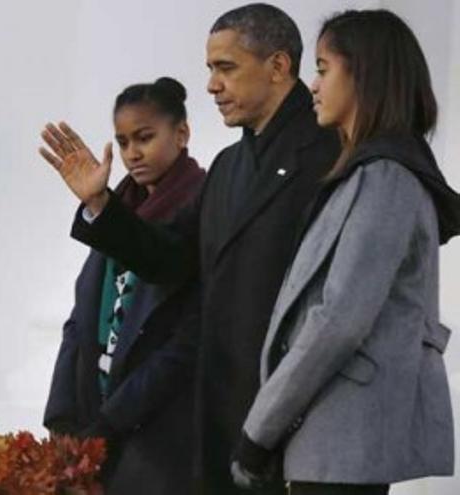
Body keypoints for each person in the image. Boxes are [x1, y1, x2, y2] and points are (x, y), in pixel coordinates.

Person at [39, 4, 340, 494]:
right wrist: (100, 201)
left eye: (226, 68)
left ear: (279, 66)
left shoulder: (329, 153)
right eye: (209, 70)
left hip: (298, 422)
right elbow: (169, 260)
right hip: (224, 417)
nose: (211, 86)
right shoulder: (229, 166)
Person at [232, 10, 460, 495]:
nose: (312, 85)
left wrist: (259, 430)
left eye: (321, 67)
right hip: (329, 442)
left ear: (366, 73)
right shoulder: (370, 173)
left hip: (343, 446)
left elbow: (339, 319)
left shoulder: (386, 178)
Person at [43, 77, 204, 494]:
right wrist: (61, 419)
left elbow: (184, 343)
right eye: (123, 140)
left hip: (158, 439)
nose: (134, 152)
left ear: (182, 133)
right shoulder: (120, 207)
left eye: (145, 137)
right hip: (95, 425)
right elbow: (79, 320)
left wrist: (109, 423)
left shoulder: (201, 205)